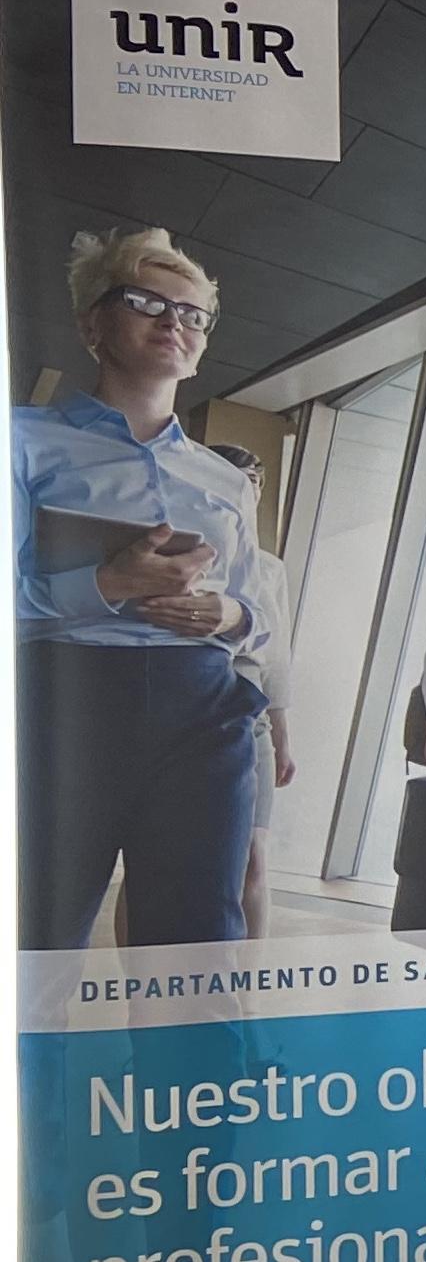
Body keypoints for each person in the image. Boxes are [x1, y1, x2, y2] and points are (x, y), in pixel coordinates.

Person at [12, 229, 271, 949]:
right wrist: (107, 582)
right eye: (145, 302)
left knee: (198, 948)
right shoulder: (22, 441)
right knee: (39, 935)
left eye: (192, 313)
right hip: (66, 700)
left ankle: (193, 1066)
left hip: (205, 707)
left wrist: (226, 611)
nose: (173, 322)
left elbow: (260, 614)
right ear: (92, 324)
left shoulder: (226, 481)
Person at [205, 442, 298, 939]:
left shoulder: (270, 568)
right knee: (157, 857)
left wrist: (283, 737)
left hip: (253, 710)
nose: (249, 493)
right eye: (239, 481)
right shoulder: (191, 551)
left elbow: (278, 655)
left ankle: (250, 991)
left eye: (255, 485)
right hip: (192, 705)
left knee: (256, 859)